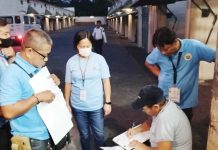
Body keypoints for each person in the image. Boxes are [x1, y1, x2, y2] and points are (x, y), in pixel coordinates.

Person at [0, 28, 60, 150]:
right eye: (44, 55)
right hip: (32, 141)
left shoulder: (35, 66)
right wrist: (37, 98)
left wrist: (52, 81)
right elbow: (8, 111)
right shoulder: (12, 73)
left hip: (46, 134)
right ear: (29, 51)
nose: (46, 59)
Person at [144, 27, 216, 121]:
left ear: (174, 41)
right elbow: (148, 63)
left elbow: (215, 57)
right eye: (160, 49)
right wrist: (160, 75)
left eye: (166, 49)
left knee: (183, 126)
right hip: (163, 97)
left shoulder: (194, 47)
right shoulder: (158, 52)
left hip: (185, 100)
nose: (163, 52)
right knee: (162, 125)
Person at [64, 30, 111, 150]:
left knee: (99, 135)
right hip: (78, 106)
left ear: (92, 45)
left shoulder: (100, 60)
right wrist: (67, 104)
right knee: (84, 135)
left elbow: (106, 81)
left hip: (96, 106)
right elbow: (68, 84)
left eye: (88, 46)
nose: (85, 48)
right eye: (82, 46)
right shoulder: (71, 62)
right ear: (76, 46)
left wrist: (108, 102)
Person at [128, 85, 192, 150]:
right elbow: (152, 121)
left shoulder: (165, 120)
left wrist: (142, 147)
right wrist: (137, 129)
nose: (143, 111)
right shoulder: (165, 103)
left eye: (144, 108)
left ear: (156, 107)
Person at [0, 18, 16, 150]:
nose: (9, 37)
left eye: (9, 32)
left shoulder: (3, 55)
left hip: (7, 119)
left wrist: (11, 57)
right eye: (5, 34)